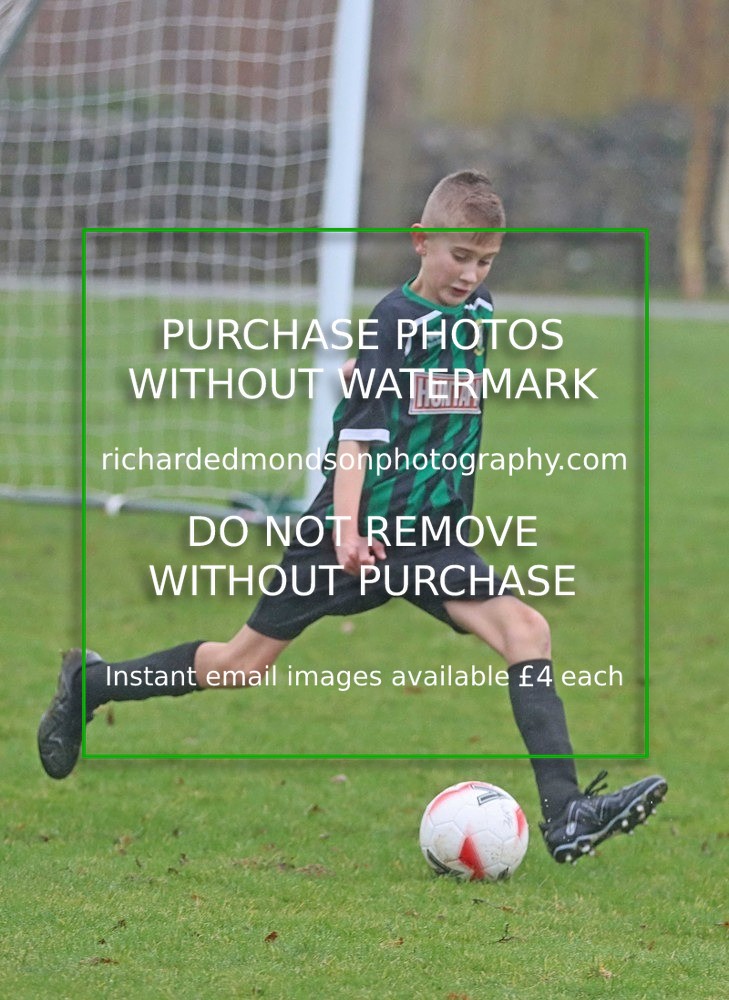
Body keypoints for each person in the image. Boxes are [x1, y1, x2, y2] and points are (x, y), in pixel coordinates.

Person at [38, 169, 667, 864]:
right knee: (239, 665)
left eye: (484, 261)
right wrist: (344, 529)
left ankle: (567, 813)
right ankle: (92, 683)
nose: (469, 273)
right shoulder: (394, 323)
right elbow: (355, 443)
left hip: (430, 535)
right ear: (420, 242)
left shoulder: (480, 309)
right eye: (458, 257)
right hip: (354, 533)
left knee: (527, 629)